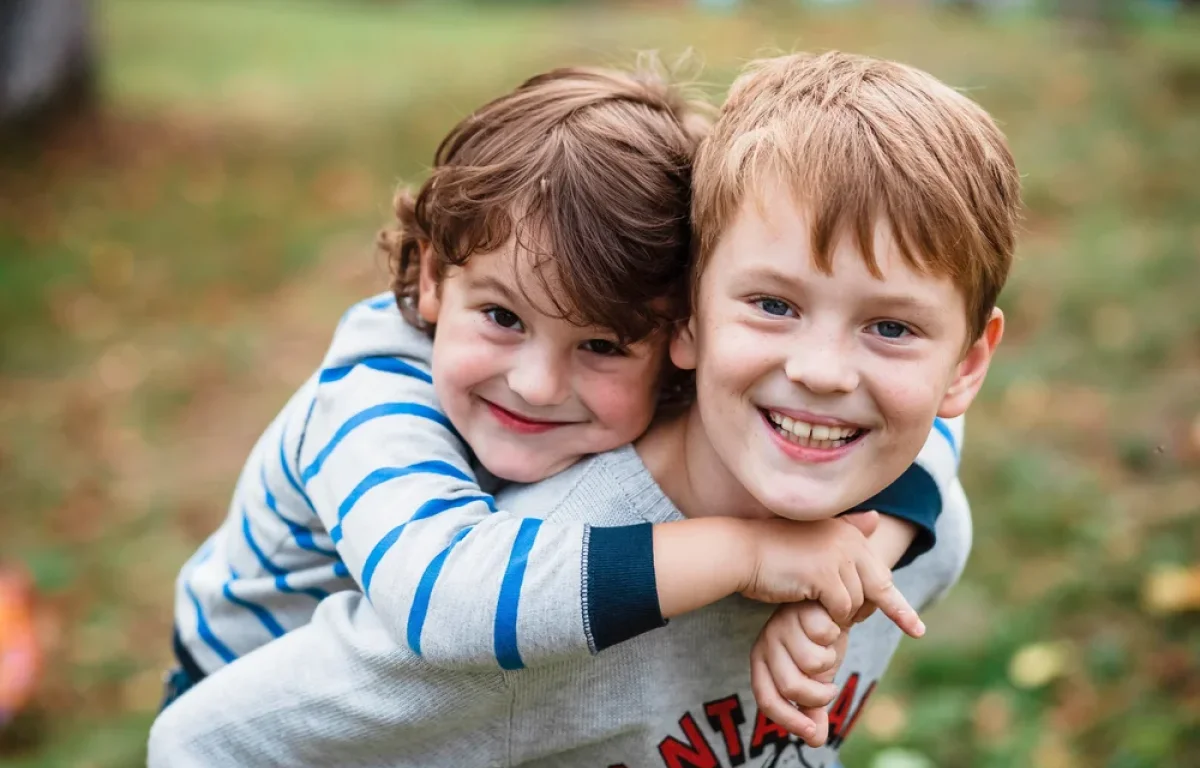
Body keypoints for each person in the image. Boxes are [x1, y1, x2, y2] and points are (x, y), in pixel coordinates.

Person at [148, 50, 1019, 767]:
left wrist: (872, 546)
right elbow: (449, 599)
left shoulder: (796, 425)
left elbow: (926, 421)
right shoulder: (377, 408)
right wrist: (752, 551)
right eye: (500, 316)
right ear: (428, 279)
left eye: (602, 343)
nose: (534, 382)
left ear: (676, 329)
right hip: (285, 677)